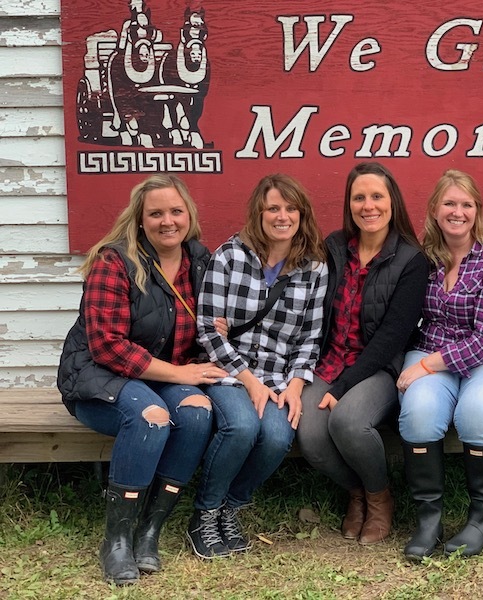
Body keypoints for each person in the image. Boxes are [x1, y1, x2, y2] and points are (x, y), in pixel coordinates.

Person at [57, 174, 227, 585]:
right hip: (97, 376)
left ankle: (150, 530)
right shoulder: (113, 261)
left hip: (162, 374)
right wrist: (181, 374)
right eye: (155, 213)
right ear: (139, 219)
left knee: (198, 412)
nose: (167, 221)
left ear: (189, 215)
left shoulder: (199, 260)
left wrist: (217, 327)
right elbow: (108, 347)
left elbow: (199, 326)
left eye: (175, 211)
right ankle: (116, 540)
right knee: (151, 416)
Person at [188, 174, 328, 559]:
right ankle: (205, 513)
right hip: (228, 371)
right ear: (259, 212)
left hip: (279, 376)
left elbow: (309, 337)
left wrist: (296, 385)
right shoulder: (229, 256)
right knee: (242, 426)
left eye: (290, 208)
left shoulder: (314, 268)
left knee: (277, 437)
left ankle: (231, 507)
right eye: (273, 208)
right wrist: (247, 380)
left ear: (302, 214)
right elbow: (208, 330)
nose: (282, 216)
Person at [296, 162, 429, 546]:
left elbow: (391, 337)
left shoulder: (410, 260)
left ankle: (380, 497)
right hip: (329, 360)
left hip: (379, 367)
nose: (368, 205)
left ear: (392, 202)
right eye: (359, 197)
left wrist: (342, 387)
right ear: (349, 204)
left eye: (377, 196)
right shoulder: (335, 248)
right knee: (311, 434)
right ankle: (356, 491)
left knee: (349, 422)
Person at [396, 169, 483, 559]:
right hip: (432, 350)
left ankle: (482, 517)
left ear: (477, 211)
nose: (458, 211)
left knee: (478, 411)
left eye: (466, 204)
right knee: (419, 412)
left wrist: (426, 365)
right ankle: (428, 518)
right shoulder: (424, 259)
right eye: (450, 203)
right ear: (435, 210)